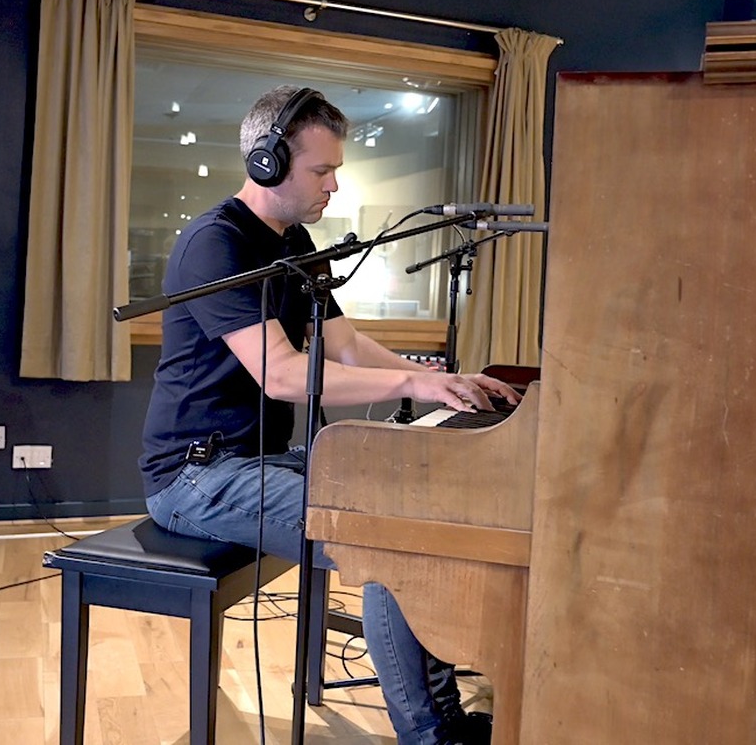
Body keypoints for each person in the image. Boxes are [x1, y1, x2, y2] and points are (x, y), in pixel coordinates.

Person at [137, 84, 521, 745]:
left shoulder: (297, 244)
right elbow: (285, 374)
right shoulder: (216, 243)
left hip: (255, 459)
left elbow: (342, 344)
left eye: (335, 170)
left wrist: (435, 377)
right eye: (322, 170)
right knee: (382, 539)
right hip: (193, 477)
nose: (333, 186)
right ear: (268, 162)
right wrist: (409, 382)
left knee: (409, 511)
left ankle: (445, 720)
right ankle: (430, 736)